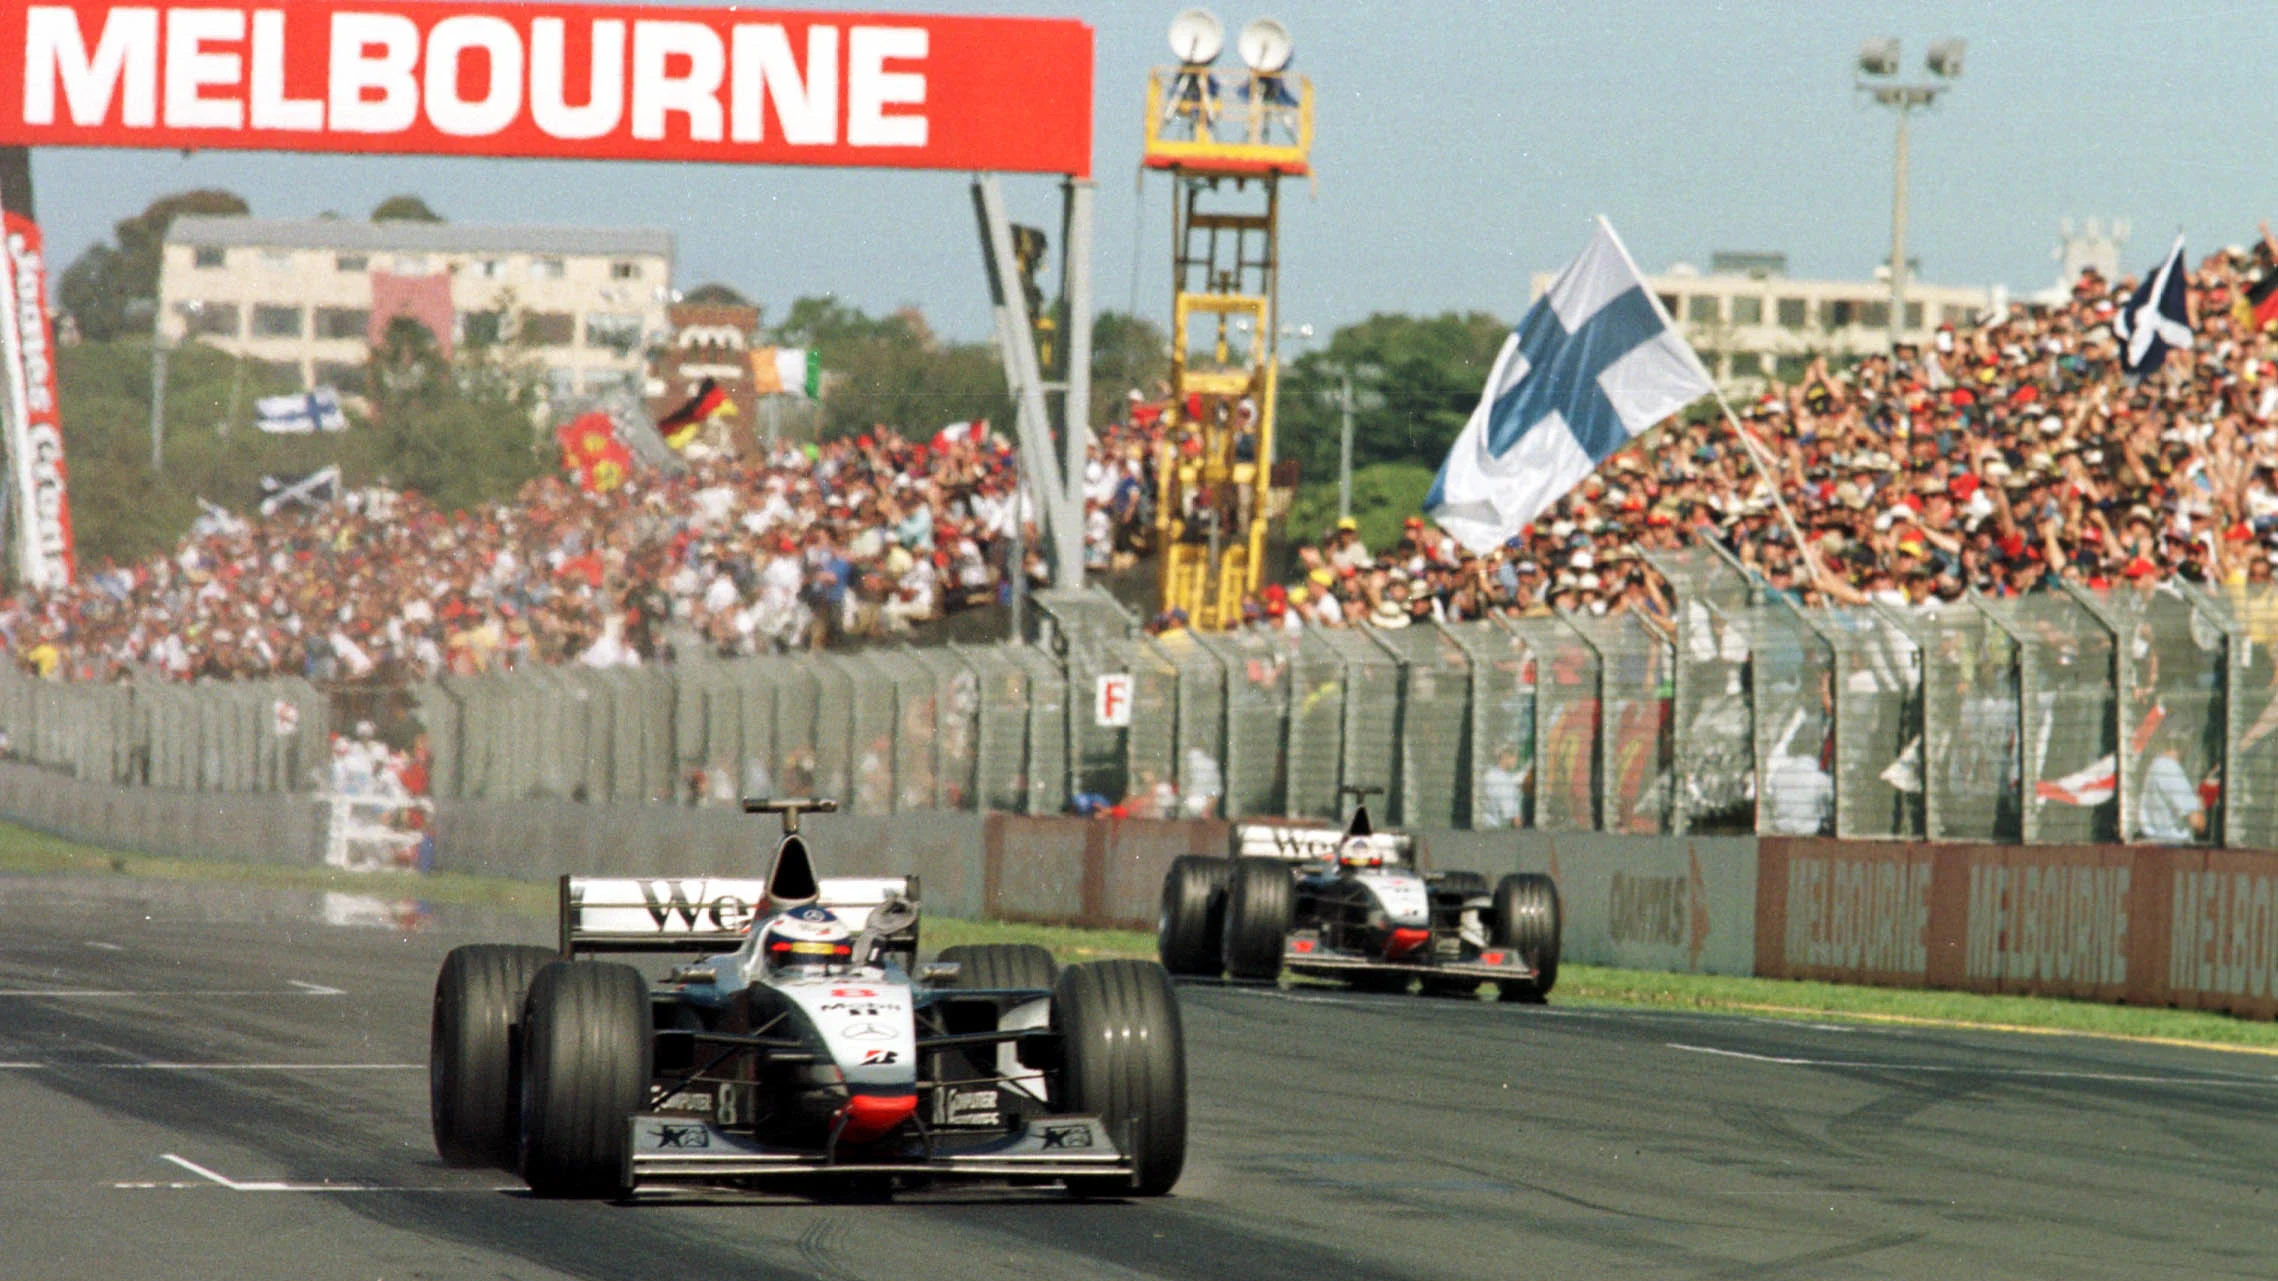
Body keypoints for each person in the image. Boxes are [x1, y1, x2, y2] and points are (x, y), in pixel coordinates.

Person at [2137, 736, 2206, 844]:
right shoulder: (2170, 769)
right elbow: (2197, 823)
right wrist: (2201, 806)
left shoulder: (2156, 766)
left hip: (2157, 844)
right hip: (2173, 847)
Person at [1479, 743, 1527, 829]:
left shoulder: (1493, 774)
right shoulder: (1500, 779)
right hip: (1497, 829)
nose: (1516, 760)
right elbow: (1511, 815)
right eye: (1514, 756)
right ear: (1505, 756)